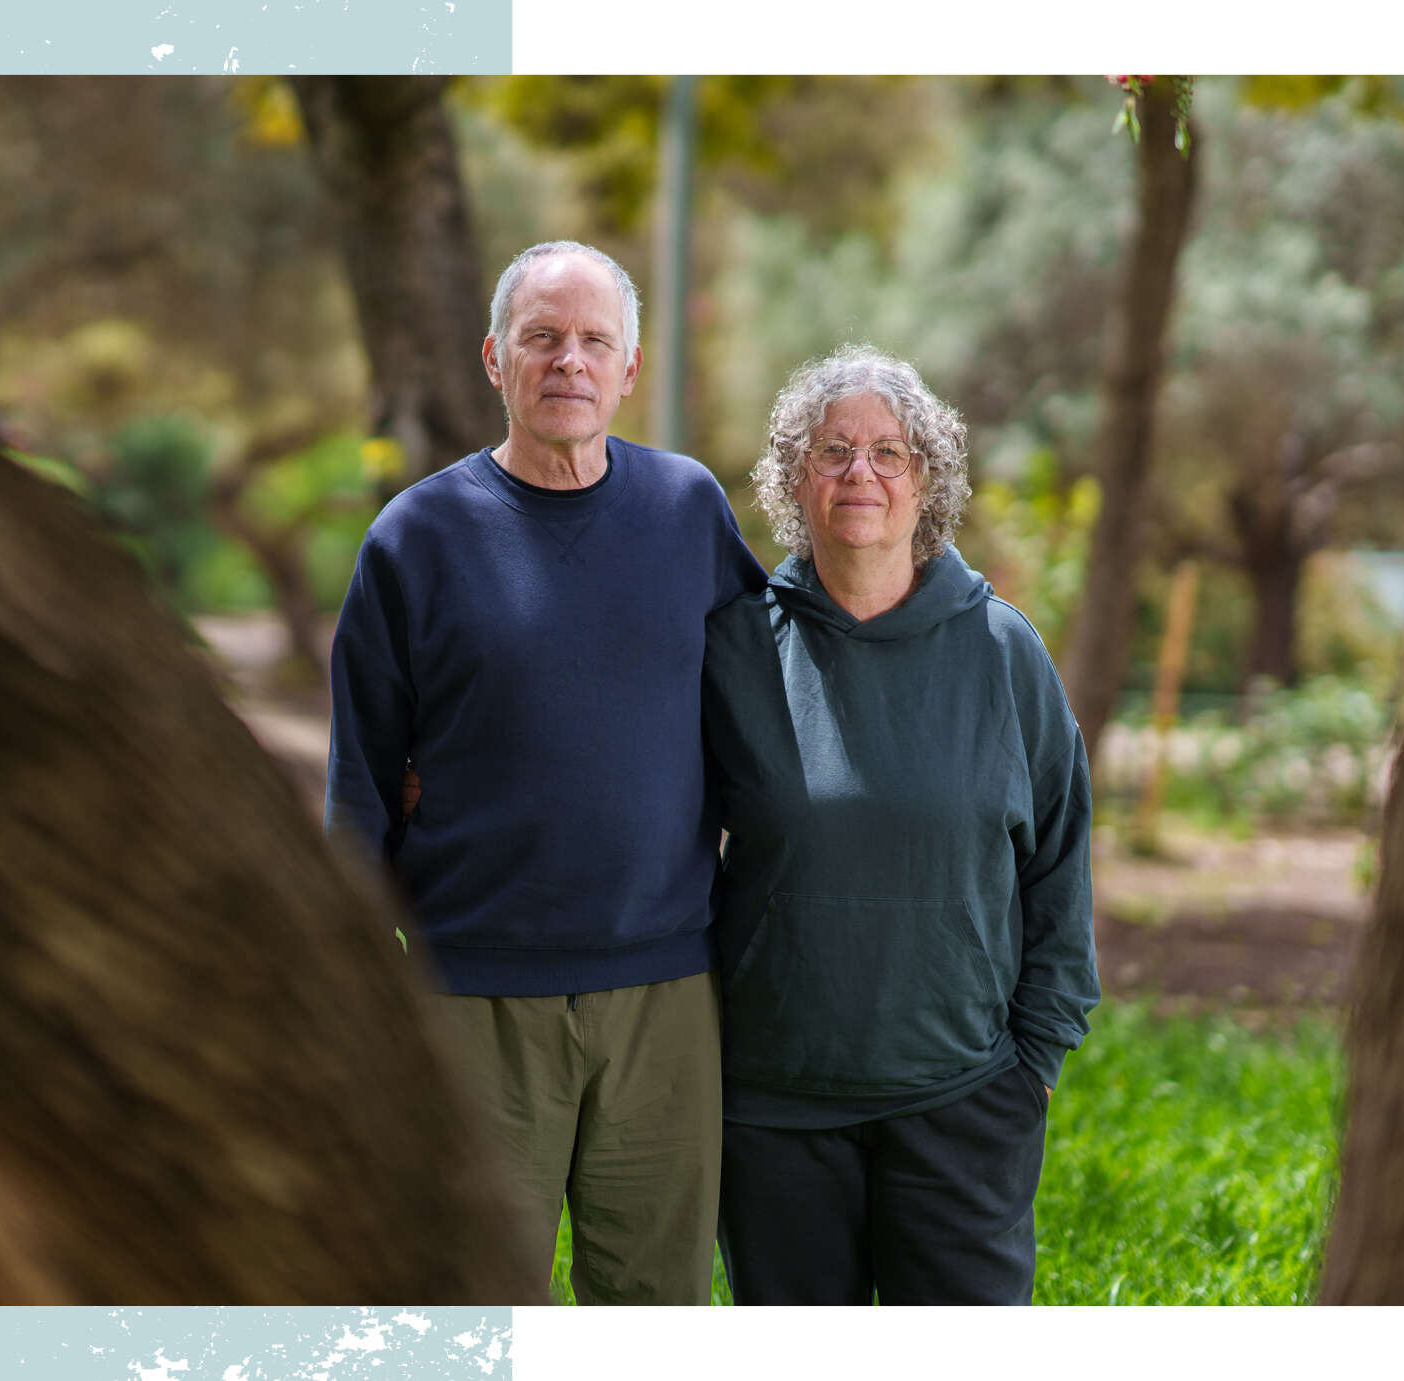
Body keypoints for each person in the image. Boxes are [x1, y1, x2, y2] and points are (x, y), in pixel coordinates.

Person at [324, 241, 766, 1304]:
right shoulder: (414, 539)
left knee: (653, 1311)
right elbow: (358, 792)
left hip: (663, 990)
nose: (568, 360)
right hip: (470, 994)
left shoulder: (688, 511)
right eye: (542, 337)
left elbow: (761, 721)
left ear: (630, 367)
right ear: (493, 358)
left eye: (593, 341)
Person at [701, 344, 1099, 1305]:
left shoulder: (1004, 651)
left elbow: (1059, 863)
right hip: (774, 1113)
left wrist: (1032, 1068)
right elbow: (640, 815)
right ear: (795, 477)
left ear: (929, 478)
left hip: (963, 1103)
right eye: (833, 450)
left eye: (889, 452)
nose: (860, 474)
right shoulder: (736, 648)